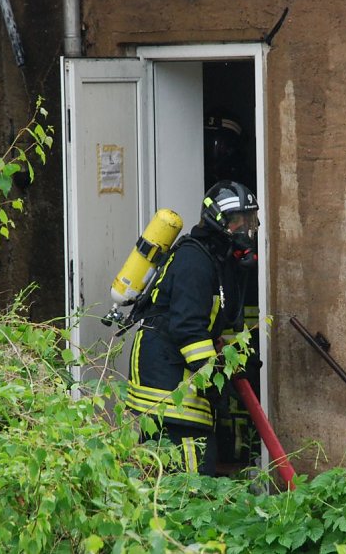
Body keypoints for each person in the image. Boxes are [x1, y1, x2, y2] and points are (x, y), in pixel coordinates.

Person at [126, 180, 260, 475]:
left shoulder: (214, 260)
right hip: (165, 379)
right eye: (239, 221)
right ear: (220, 223)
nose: (246, 230)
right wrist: (212, 379)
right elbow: (189, 328)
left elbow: (211, 323)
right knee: (189, 470)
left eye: (250, 221)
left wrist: (230, 360)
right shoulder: (194, 260)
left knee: (183, 463)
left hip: (174, 372)